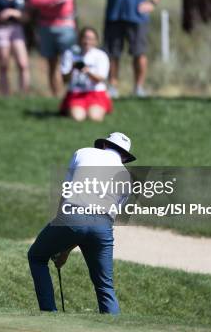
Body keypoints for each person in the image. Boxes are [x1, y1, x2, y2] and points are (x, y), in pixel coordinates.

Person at [28, 132, 136, 314]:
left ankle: (49, 314)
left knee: (37, 257)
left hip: (72, 216)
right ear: (124, 156)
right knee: (105, 286)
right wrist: (65, 251)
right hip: (103, 227)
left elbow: (67, 193)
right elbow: (95, 223)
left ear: (103, 145)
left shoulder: (83, 153)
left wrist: (63, 246)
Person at [28, 0, 77, 97]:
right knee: (51, 63)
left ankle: (71, 92)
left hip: (66, 25)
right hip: (45, 25)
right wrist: (53, 0)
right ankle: (56, 95)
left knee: (69, 63)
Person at [60, 27, 112, 122]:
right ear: (80, 39)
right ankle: (71, 109)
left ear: (96, 41)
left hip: (96, 93)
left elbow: (101, 79)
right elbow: (65, 80)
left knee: (94, 117)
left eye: (91, 39)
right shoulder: (70, 54)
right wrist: (72, 68)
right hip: (76, 93)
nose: (87, 42)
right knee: (77, 117)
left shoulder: (101, 55)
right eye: (85, 38)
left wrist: (88, 71)